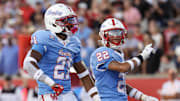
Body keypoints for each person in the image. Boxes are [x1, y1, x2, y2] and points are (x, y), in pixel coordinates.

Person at [23, 3, 101, 101]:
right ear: (53, 22)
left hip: (67, 93)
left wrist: (97, 97)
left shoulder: (74, 42)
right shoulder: (45, 38)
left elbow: (84, 74)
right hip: (49, 94)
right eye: (66, 21)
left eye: (71, 20)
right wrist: (51, 83)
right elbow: (28, 64)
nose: (71, 23)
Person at [90, 18, 158, 101]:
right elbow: (123, 68)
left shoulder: (118, 54)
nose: (116, 36)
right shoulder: (101, 52)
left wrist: (143, 97)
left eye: (118, 32)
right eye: (112, 33)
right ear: (103, 35)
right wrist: (142, 56)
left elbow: (121, 85)